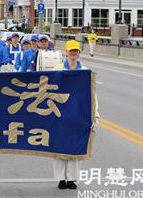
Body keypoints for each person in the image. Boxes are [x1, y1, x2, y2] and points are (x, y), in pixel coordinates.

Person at [52, 40, 99, 190]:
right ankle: (60, 178)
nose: (73, 53)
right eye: (71, 50)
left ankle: (72, 179)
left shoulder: (85, 72)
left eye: (76, 51)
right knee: (59, 146)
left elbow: (92, 95)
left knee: (75, 146)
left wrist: (95, 114)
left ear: (79, 53)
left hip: (78, 114)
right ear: (66, 52)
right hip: (59, 113)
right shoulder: (57, 69)